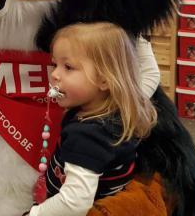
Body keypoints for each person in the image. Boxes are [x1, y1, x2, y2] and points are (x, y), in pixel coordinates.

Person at [24, 22, 158, 216]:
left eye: (68, 67)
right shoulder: (120, 110)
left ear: (104, 80)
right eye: (55, 64)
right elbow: (151, 75)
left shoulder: (87, 136)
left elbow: (74, 203)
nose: (54, 74)